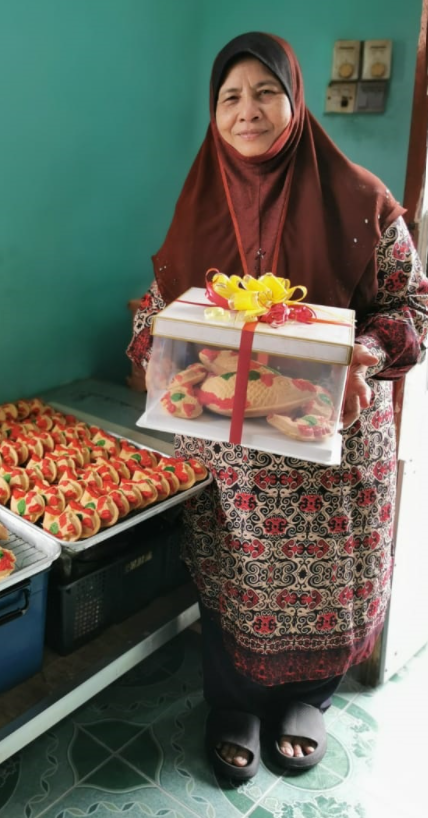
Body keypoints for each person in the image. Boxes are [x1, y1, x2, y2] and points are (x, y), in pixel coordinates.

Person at [127, 32, 428, 780]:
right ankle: (230, 702)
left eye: (265, 92)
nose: (247, 110)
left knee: (328, 580)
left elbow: (414, 309)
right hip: (231, 457)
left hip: (333, 448)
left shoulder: (361, 199)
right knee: (236, 577)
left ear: (293, 102)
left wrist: (361, 352)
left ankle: (308, 701)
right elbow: (157, 307)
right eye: (230, 97)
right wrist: (152, 347)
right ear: (213, 113)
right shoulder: (199, 198)